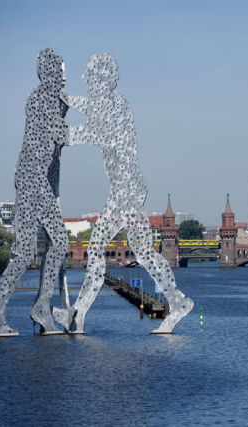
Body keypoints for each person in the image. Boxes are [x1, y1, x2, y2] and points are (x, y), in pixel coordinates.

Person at [54, 53, 193, 334]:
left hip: (126, 192)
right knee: (139, 253)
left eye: (90, 76)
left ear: (103, 79)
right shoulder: (110, 104)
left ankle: (78, 316)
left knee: (99, 251)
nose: (86, 79)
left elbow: (85, 132)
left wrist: (57, 130)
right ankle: (177, 302)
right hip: (125, 191)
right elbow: (91, 108)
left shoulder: (116, 107)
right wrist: (65, 98)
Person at [0, 48, 69, 337]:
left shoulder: (43, 99)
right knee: (27, 253)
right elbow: (62, 136)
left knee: (57, 241)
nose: (65, 77)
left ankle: (40, 307)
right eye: (61, 70)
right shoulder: (43, 99)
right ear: (51, 72)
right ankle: (2, 318)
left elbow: (55, 146)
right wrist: (94, 127)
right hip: (32, 179)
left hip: (34, 180)